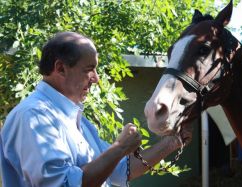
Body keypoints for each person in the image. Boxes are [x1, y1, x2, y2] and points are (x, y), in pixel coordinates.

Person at [0, 31, 192, 187]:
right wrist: (121, 147)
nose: (96, 78)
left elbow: (120, 169)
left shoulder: (76, 119)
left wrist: (172, 142)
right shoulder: (35, 116)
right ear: (60, 68)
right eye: (89, 69)